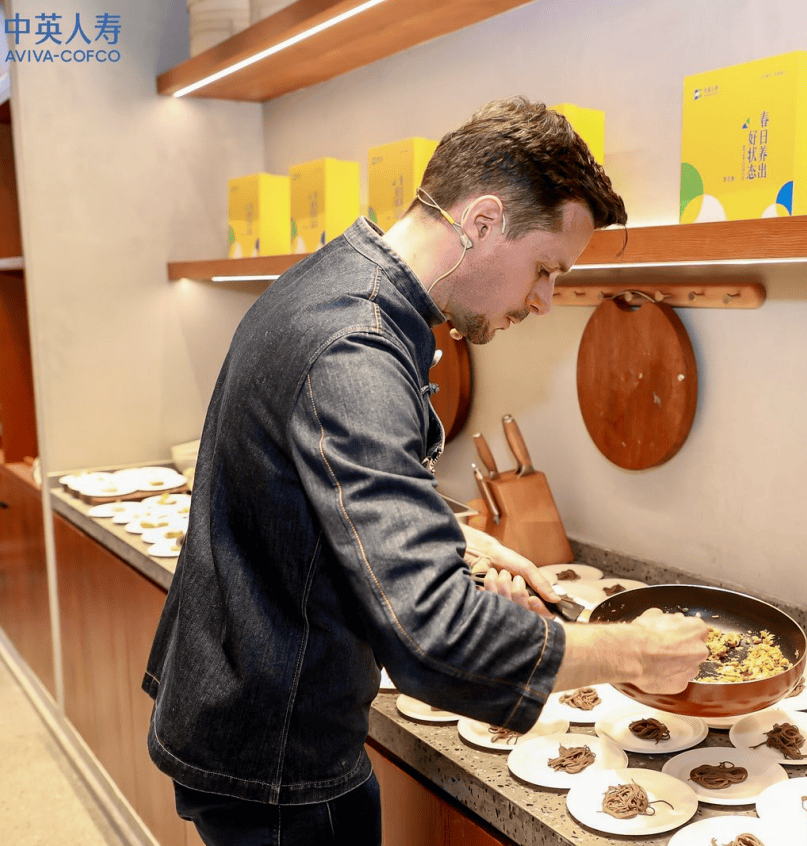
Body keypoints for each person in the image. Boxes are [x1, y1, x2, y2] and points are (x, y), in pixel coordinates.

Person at [143, 97, 709, 846]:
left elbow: (306, 482)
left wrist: (456, 537)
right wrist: (634, 651)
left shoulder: (337, 279)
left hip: (252, 706)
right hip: (275, 746)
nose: (544, 300)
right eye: (545, 269)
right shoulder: (356, 346)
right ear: (482, 222)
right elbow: (433, 636)